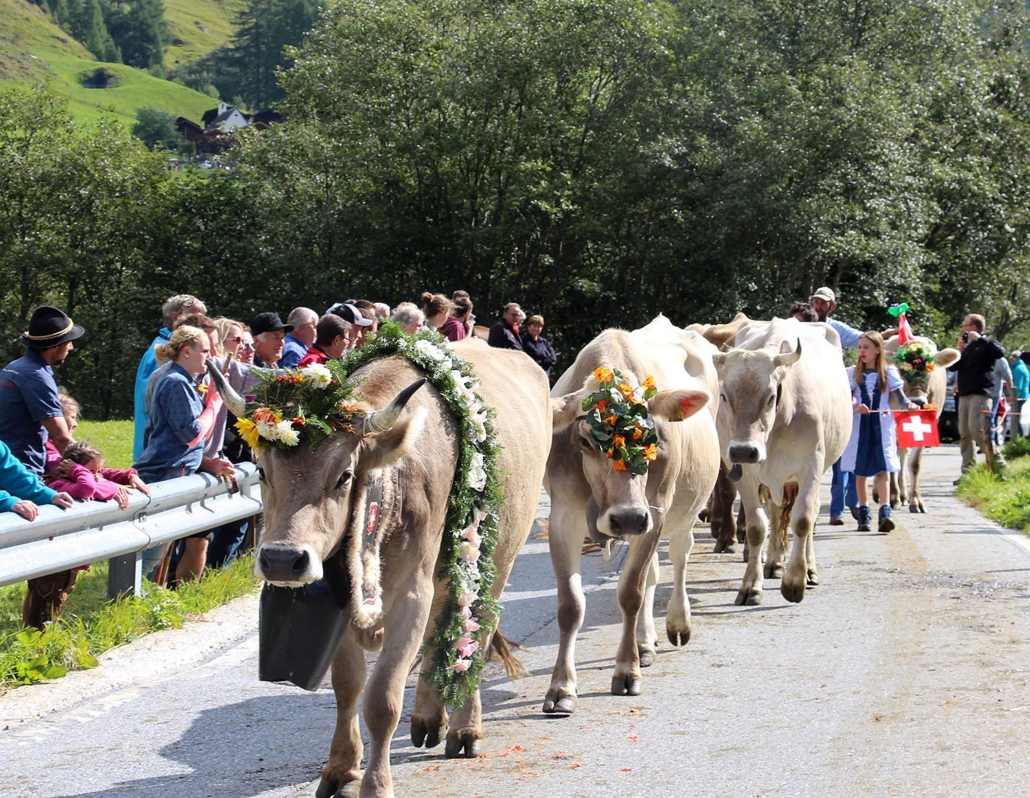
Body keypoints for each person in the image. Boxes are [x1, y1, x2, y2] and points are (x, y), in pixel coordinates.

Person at [133, 325, 224, 582]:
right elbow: (193, 434)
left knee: (159, 549)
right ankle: (127, 599)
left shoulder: (178, 379)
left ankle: (140, 599)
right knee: (153, 550)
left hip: (172, 468)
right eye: (205, 351)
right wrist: (215, 403)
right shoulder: (176, 382)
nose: (210, 356)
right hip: (167, 470)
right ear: (186, 351)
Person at [842, 331, 917, 533]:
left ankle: (885, 512)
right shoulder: (852, 373)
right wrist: (855, 407)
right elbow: (849, 399)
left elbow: (900, 398)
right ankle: (863, 512)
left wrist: (909, 405)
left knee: (882, 470)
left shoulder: (888, 372)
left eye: (866, 347)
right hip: (860, 425)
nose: (861, 351)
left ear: (878, 349)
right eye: (859, 347)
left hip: (882, 425)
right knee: (860, 471)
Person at [809, 287, 862, 525]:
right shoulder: (800, 324)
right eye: (816, 302)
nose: (819, 306)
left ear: (832, 306)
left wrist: (893, 333)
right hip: (809, 390)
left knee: (844, 454)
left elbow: (864, 340)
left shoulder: (836, 329)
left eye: (824, 303)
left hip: (835, 393)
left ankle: (847, 504)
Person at [133, 294, 206, 460]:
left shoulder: (162, 346)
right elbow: (153, 403)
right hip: (159, 454)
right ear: (176, 318)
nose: (200, 323)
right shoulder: (165, 352)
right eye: (195, 317)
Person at [949, 313, 1007, 479]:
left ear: (974, 328)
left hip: (980, 394)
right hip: (964, 394)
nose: (962, 329)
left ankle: (998, 465)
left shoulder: (986, 343)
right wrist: (959, 352)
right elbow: (954, 368)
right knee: (964, 433)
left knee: (977, 429)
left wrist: (980, 339)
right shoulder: (968, 348)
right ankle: (968, 473)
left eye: (965, 326)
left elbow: (1000, 352)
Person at [46, 441, 144, 511]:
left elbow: (110, 484)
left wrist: (127, 476)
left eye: (98, 471)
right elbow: (87, 487)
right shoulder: (58, 485)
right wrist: (76, 469)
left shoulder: (91, 480)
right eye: (90, 472)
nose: (98, 477)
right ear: (69, 470)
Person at [990, 352, 1014, 446]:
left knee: (990, 419)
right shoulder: (979, 357)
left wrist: (1011, 394)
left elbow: (1008, 378)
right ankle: (992, 441)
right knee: (989, 419)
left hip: (995, 395)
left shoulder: (1000, 361)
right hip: (980, 393)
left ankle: (990, 443)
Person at [1011, 350, 1030, 440]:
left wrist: (1014, 397)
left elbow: (1018, 386)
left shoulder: (1018, 369)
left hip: (1020, 396)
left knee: (1017, 419)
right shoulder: (1023, 367)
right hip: (1025, 395)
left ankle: (1019, 437)